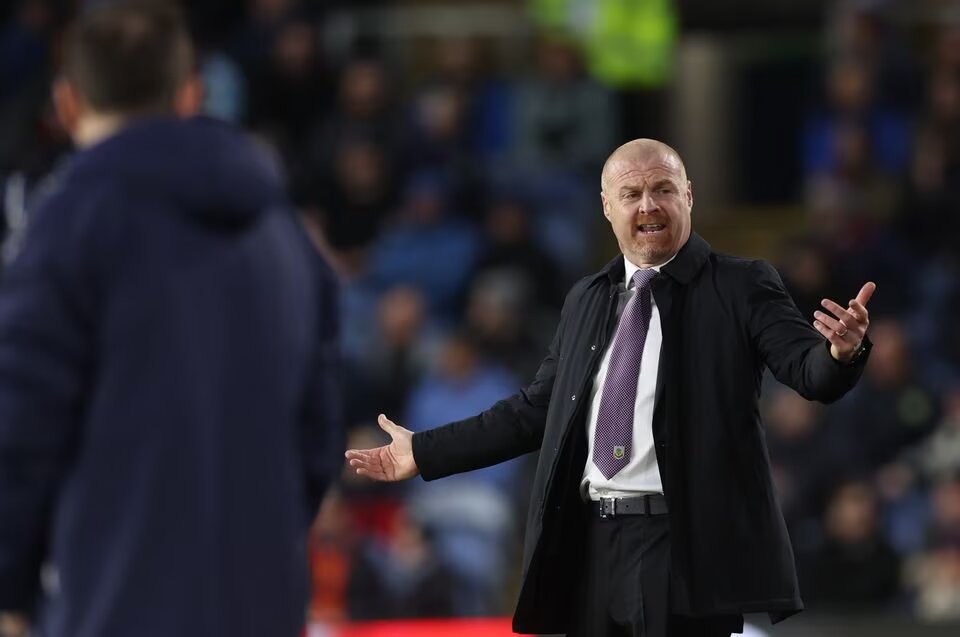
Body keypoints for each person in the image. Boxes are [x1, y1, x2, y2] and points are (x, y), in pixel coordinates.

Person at [347, 138, 876, 637]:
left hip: (682, 549)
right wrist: (423, 450)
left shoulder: (741, 284)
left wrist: (840, 352)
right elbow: (536, 412)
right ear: (607, 207)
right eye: (631, 193)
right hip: (590, 543)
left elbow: (807, 371)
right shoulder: (587, 298)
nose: (649, 204)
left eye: (663, 189)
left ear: (688, 196)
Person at [0, 3, 342, 637]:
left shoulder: (68, 225)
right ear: (190, 94)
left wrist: (11, 588)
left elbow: (21, 427)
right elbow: (318, 437)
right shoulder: (286, 234)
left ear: (68, 102)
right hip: (261, 597)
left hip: (110, 600)